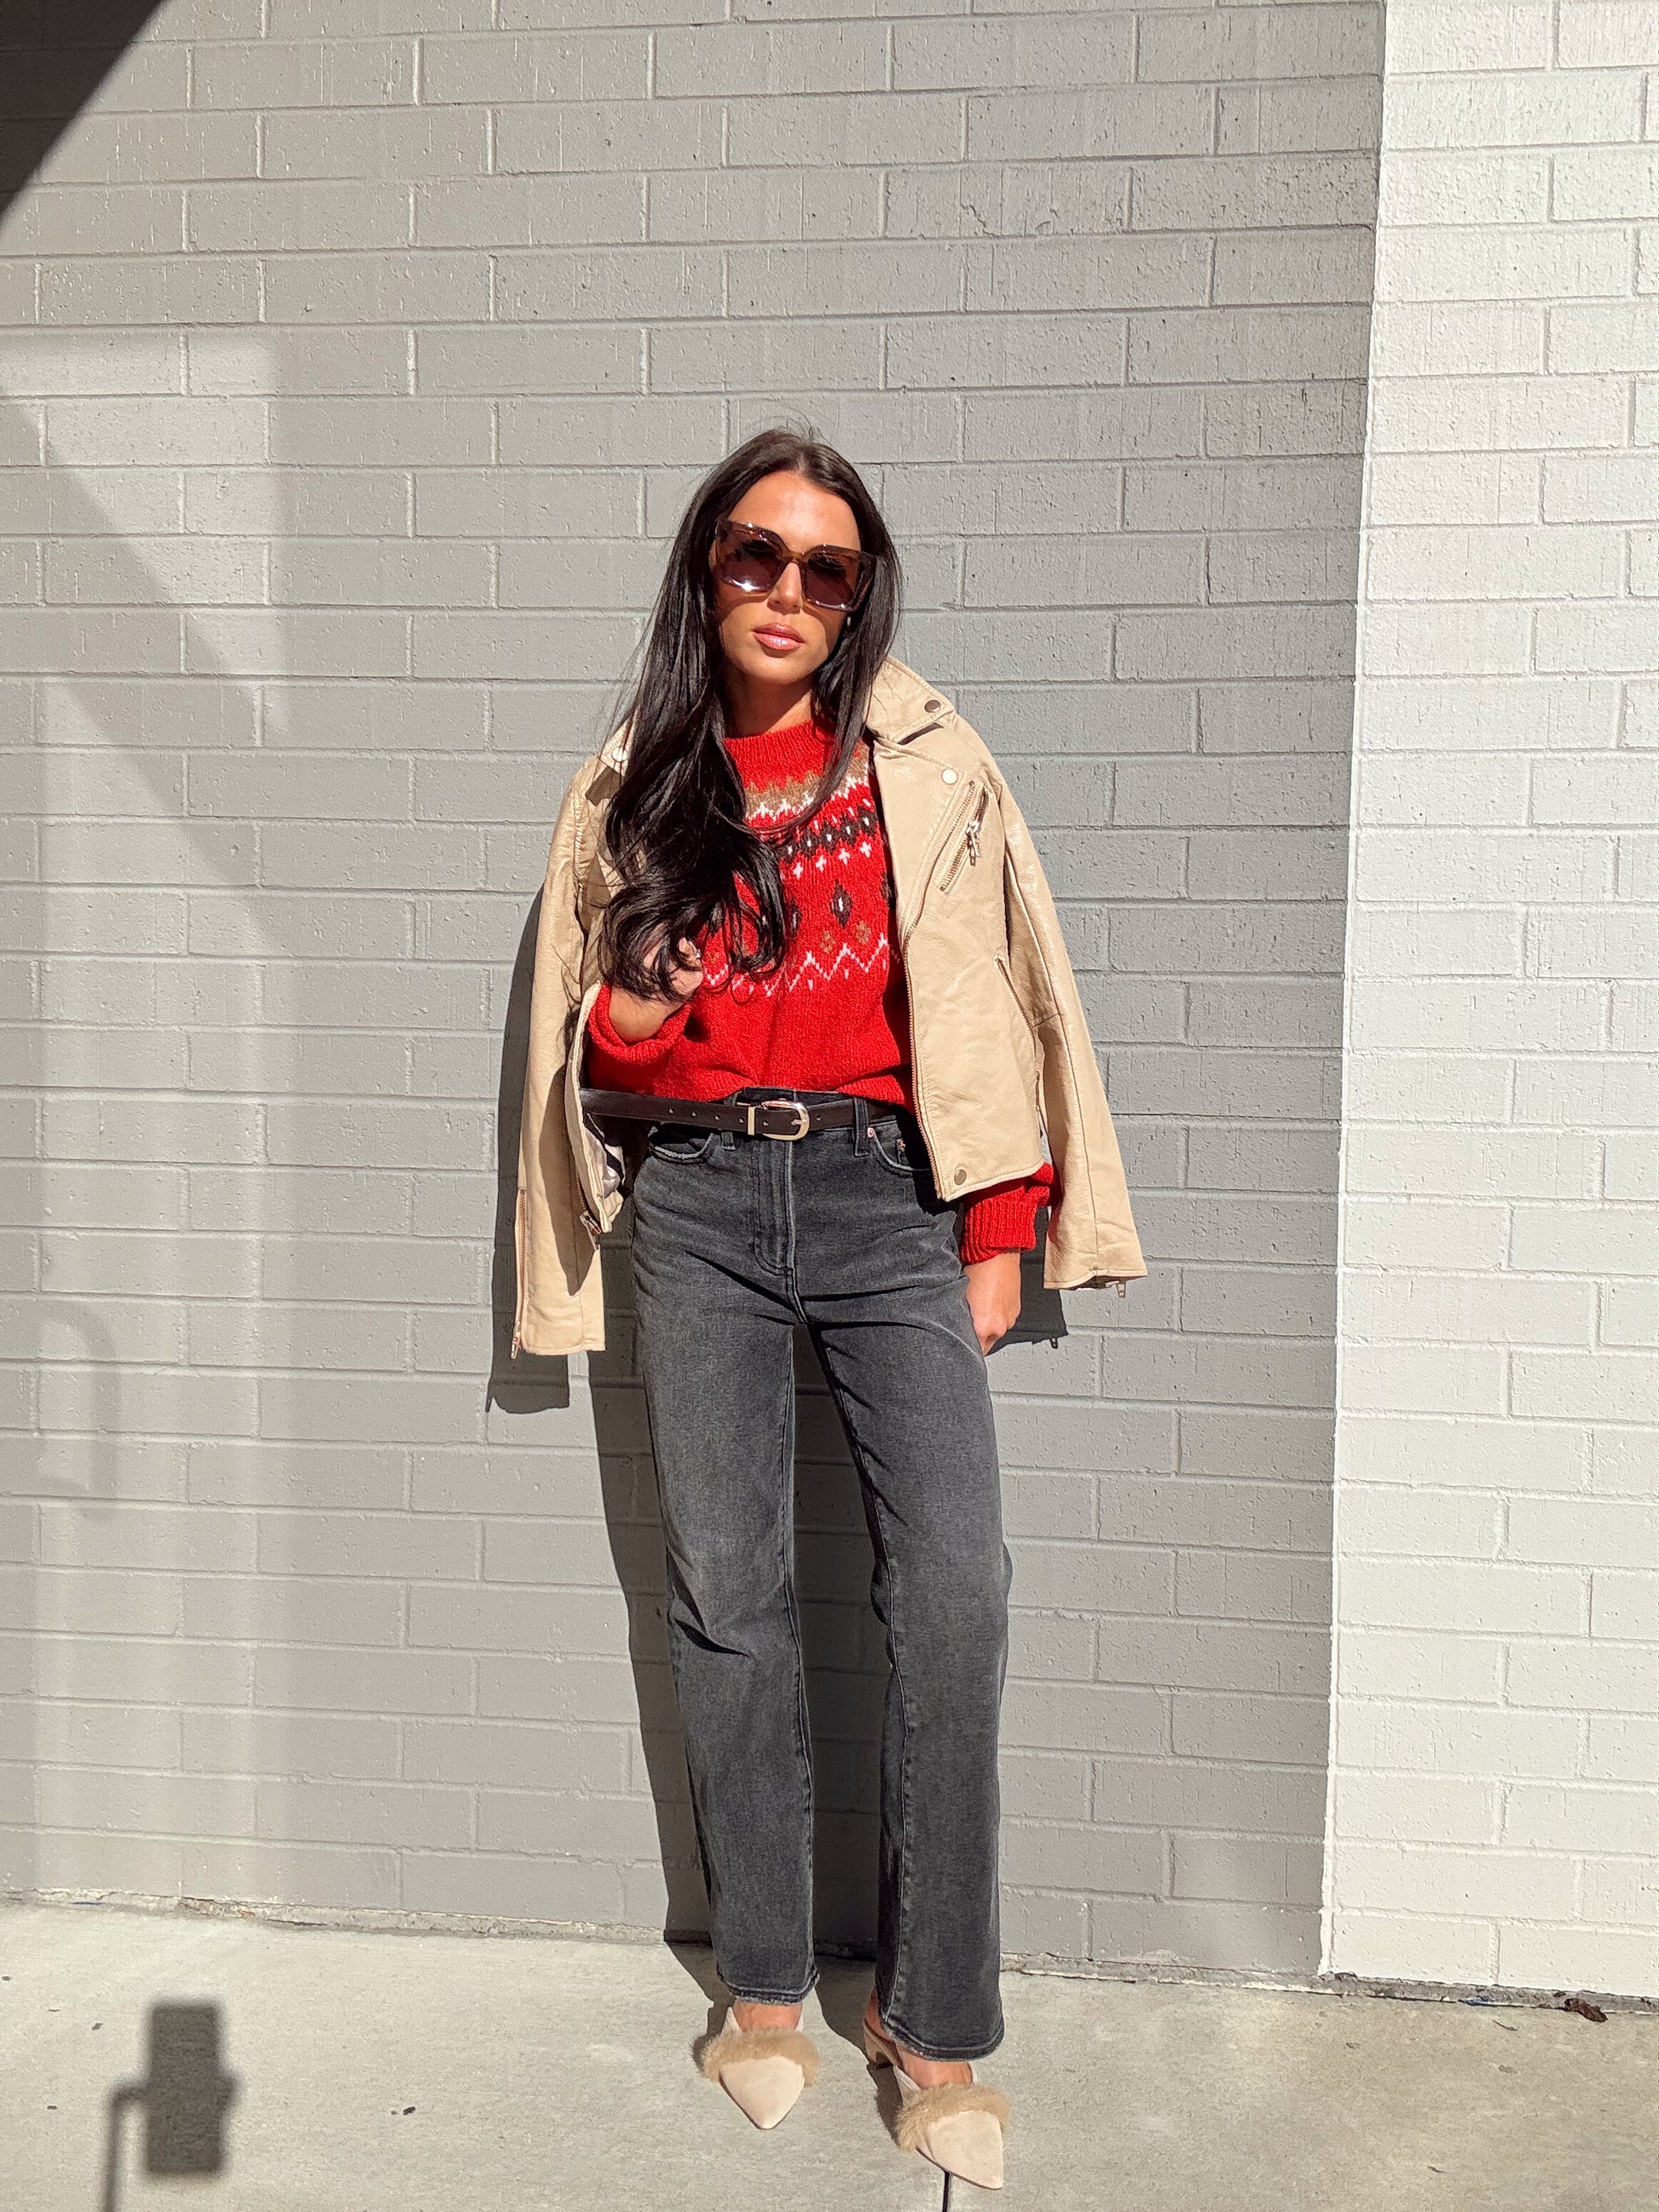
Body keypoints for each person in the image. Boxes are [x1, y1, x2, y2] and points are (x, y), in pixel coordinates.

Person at [512, 426, 1146, 2190]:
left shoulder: (928, 759)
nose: (786, 589)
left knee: (953, 1592)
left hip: (888, 1196)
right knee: (728, 1594)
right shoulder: (637, 778)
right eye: (754, 553)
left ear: (860, 595)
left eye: (827, 566)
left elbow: (1004, 986)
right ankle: (767, 1986)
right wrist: (642, 1020)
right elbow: (595, 1040)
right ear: (706, 572)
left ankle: (934, 2022)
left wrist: (998, 1226)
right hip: (698, 1201)